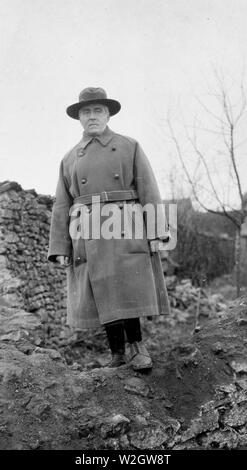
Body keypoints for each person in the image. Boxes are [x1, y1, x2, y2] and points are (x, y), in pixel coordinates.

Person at [47, 87, 170, 370]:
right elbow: (62, 205)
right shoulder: (69, 158)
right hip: (86, 229)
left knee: (127, 284)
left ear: (107, 114)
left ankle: (138, 347)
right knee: (101, 287)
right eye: (86, 112)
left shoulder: (129, 146)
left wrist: (156, 231)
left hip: (124, 223)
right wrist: (60, 247)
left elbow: (149, 189)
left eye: (97, 111)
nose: (92, 117)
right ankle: (117, 353)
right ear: (79, 118)